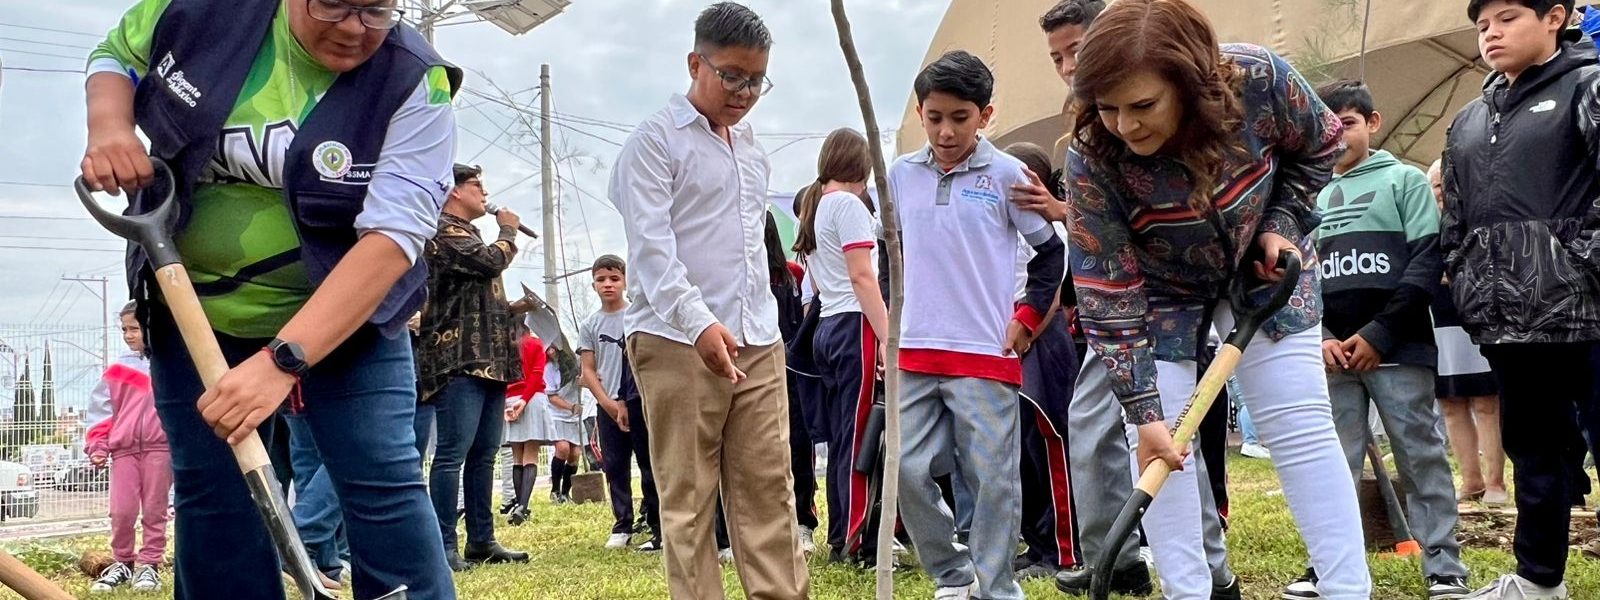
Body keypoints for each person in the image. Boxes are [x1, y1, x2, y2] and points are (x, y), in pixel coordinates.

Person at [82, 0, 462, 595]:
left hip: (346, 319)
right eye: (334, 4)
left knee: (383, 481)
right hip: (196, 313)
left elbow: (394, 238)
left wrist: (282, 361)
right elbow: (117, 55)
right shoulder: (201, 13)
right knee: (214, 493)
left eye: (377, 11)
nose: (354, 28)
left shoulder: (415, 80)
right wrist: (109, 125)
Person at [1067, 1, 1372, 599]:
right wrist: (1143, 410)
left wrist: (1281, 220)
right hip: (1160, 289)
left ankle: (1346, 589)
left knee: (1299, 422)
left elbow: (1321, 147)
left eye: (1142, 105)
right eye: (1107, 108)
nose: (1125, 125)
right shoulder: (1092, 158)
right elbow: (1107, 290)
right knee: (1159, 446)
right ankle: (1188, 592)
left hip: (1266, 268)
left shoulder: (1260, 81)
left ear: (1191, 81)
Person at [1015, 1, 1237, 595]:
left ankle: (1211, 569)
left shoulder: (1175, 105)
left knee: (1177, 431)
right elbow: (1095, 242)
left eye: (1078, 49)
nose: (1069, 65)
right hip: (1112, 314)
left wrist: (1066, 213)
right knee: (1096, 422)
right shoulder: (1090, 133)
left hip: (1179, 301)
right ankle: (1113, 555)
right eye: (1058, 57)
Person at [610, 3, 808, 597]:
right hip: (677, 341)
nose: (745, 92)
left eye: (757, 80)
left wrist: (763, 327)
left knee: (770, 491)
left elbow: (750, 255)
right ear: (695, 62)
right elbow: (651, 251)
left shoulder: (750, 148)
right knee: (689, 501)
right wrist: (699, 323)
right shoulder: (652, 143)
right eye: (732, 76)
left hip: (757, 340)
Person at [890, 50, 1066, 600]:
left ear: (985, 116)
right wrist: (887, 330)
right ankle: (952, 574)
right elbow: (886, 258)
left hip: (987, 355)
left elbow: (1049, 257)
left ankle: (996, 588)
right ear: (921, 112)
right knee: (907, 471)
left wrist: (1027, 319)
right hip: (914, 353)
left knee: (994, 483)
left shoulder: (1009, 175)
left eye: (959, 118)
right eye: (934, 116)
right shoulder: (897, 175)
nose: (945, 131)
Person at [1285, 79, 1469, 599]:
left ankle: (1444, 565)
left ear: (1373, 122)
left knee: (1420, 454)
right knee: (1331, 459)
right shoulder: (1306, 195)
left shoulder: (1406, 182)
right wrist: (1318, 335)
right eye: (1325, 126)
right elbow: (1297, 277)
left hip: (1398, 347)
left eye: (1345, 123)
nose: (1336, 135)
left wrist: (1380, 334)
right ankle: (1329, 564)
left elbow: (1426, 262)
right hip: (1330, 353)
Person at [1443, 1, 1600, 597]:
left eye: (1507, 18)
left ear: (1554, 16)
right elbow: (1453, 215)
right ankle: (1539, 581)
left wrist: (1580, 264)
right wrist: (1462, 270)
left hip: (1588, 312)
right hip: (1509, 322)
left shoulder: (1589, 87)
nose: (1492, 34)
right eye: (1482, 25)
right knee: (1534, 451)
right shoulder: (1467, 121)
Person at [416, 163, 531, 571]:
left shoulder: (470, 233)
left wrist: (516, 309)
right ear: (453, 191)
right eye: (477, 186)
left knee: (484, 453)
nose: (485, 194)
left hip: (490, 359)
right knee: (451, 454)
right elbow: (487, 263)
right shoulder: (443, 230)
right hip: (457, 359)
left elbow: (474, 293)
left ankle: (481, 540)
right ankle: (443, 544)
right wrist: (510, 231)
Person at [790, 128, 889, 566]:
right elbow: (862, 276)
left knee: (842, 437)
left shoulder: (814, 207)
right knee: (860, 435)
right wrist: (889, 336)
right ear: (862, 166)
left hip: (828, 325)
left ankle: (840, 533)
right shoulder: (847, 204)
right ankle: (859, 537)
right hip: (854, 324)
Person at [1001, 142, 1082, 583]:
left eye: (1021, 177)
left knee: (1051, 442)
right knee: (1021, 452)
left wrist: (1028, 330)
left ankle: (1064, 550)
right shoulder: (1005, 222)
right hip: (1009, 337)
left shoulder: (1052, 230)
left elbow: (1049, 288)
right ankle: (1036, 543)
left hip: (1040, 338)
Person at [1426, 160, 1508, 506]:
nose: (1441, 190)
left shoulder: (1481, 217)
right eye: (1434, 185)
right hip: (1439, 316)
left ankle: (1496, 482)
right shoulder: (1425, 225)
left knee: (1487, 402)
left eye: (1446, 182)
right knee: (1451, 403)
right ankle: (1470, 480)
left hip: (1479, 313)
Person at [83, 302, 169, 593]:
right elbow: (100, 410)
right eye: (124, 329)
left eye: (134, 328)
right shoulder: (119, 370)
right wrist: (98, 444)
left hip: (161, 449)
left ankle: (150, 565)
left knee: (156, 509)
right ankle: (122, 562)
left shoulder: (169, 366)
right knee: (122, 511)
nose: (128, 335)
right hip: (123, 452)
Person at [580, 254, 660, 549]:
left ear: (625, 281)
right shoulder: (591, 324)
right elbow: (587, 369)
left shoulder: (636, 317)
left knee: (649, 464)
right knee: (614, 465)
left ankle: (655, 523)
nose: (608, 284)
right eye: (601, 279)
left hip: (640, 401)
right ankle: (622, 523)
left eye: (614, 278)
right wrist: (607, 403)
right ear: (593, 285)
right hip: (607, 403)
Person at [763, 214, 823, 556]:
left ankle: (803, 522)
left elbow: (803, 319)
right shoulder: (730, 279)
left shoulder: (790, 274)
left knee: (798, 444)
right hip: (745, 368)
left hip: (789, 369)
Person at [502, 330, 551, 525]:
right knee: (530, 454)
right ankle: (523, 505)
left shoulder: (506, 345)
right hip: (532, 399)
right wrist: (525, 399)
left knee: (517, 456)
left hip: (509, 399)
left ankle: (519, 506)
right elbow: (537, 375)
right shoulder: (535, 343)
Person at [547, 345, 583, 504]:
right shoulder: (549, 368)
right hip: (557, 413)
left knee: (575, 454)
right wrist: (571, 407)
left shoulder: (576, 363)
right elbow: (552, 397)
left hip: (574, 415)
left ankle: (565, 492)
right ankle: (555, 490)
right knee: (562, 448)